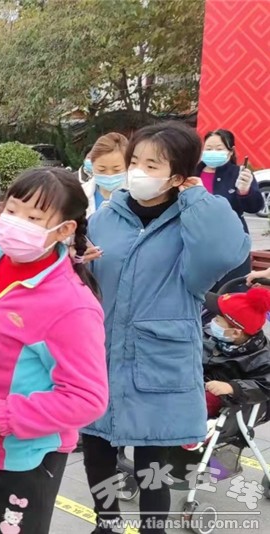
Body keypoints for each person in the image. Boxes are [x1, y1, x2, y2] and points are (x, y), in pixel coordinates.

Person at [82, 121, 251, 534]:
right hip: (103, 350)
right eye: (135, 161)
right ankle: (106, 524)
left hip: (159, 357)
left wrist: (197, 197)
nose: (138, 171)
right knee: (97, 447)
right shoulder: (107, 216)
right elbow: (89, 278)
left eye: (152, 164)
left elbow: (222, 254)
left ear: (177, 175)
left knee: (152, 461)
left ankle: (152, 529)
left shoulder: (192, 219)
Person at [0, 168, 108, 534]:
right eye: (12, 210)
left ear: (63, 229)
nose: (16, 223)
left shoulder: (71, 304)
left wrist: (2, 419)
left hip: (26, 459)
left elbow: (87, 398)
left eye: (33, 218)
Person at [197, 129, 263, 289]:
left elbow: (255, 206)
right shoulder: (191, 173)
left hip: (232, 245)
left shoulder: (239, 173)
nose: (213, 152)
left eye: (219, 149)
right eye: (208, 148)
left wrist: (244, 191)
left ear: (230, 151)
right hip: (197, 242)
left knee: (229, 292)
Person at [202, 287, 270, 416]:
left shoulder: (262, 358)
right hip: (194, 379)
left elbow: (265, 385)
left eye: (217, 320)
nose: (212, 322)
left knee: (203, 401)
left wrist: (232, 387)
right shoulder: (209, 334)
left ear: (235, 333)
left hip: (224, 398)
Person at [80, 133, 128, 217]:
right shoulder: (81, 193)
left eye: (116, 170)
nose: (109, 175)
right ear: (92, 165)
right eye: (101, 170)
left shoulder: (136, 195)